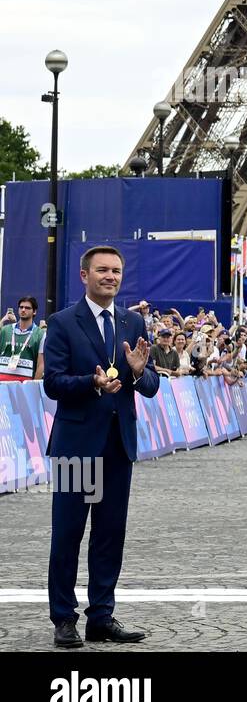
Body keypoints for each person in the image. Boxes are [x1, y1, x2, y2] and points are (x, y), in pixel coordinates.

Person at [43, 246, 160, 648]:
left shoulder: (133, 322)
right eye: (102, 270)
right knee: (68, 534)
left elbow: (151, 385)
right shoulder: (62, 323)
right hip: (75, 446)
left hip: (117, 445)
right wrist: (91, 384)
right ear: (84, 276)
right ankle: (63, 619)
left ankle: (101, 617)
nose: (110, 276)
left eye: (116, 270)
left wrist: (140, 373)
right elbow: (52, 382)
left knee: (110, 534)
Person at [0, 296, 46, 382]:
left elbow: (41, 365)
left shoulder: (40, 334)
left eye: (27, 308)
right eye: (21, 307)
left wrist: (33, 387)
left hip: (24, 387)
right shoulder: (5, 330)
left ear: (34, 312)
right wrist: (2, 321)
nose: (23, 310)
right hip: (3, 384)